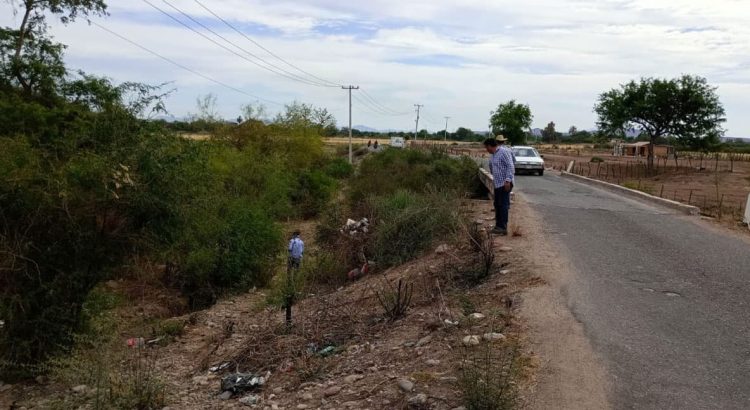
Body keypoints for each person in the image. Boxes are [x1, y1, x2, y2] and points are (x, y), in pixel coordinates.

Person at [483, 136, 515, 235]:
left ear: (490, 146)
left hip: (505, 183)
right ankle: (498, 226)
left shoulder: (504, 152)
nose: (486, 150)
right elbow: (492, 167)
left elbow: (510, 165)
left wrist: (508, 180)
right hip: (497, 183)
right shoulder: (492, 155)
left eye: (486, 147)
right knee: (497, 205)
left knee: (503, 205)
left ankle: (502, 228)